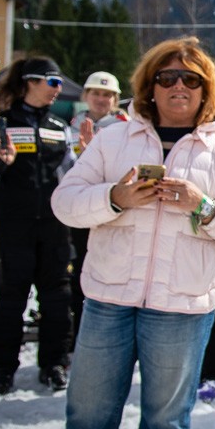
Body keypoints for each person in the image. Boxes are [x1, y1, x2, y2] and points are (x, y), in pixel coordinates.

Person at [50, 37, 215, 429]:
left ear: (206, 89)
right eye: (167, 77)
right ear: (150, 86)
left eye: (191, 78)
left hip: (181, 308)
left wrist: (204, 205)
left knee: (166, 421)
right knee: (87, 412)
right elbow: (65, 203)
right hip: (108, 299)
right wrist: (115, 197)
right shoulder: (113, 139)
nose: (178, 86)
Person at [0, 56, 77, 395]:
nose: (58, 89)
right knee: (10, 297)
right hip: (12, 224)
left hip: (54, 226)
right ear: (30, 82)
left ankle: (54, 363)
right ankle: (2, 368)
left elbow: (73, 173)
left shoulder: (59, 126)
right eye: (52, 82)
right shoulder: (1, 123)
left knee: (57, 297)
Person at [67, 71, 129, 350]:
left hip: (113, 211)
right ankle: (76, 333)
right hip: (82, 210)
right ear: (86, 96)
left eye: (107, 95)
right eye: (96, 93)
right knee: (77, 272)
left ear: (115, 99)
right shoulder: (73, 124)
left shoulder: (125, 127)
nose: (101, 99)